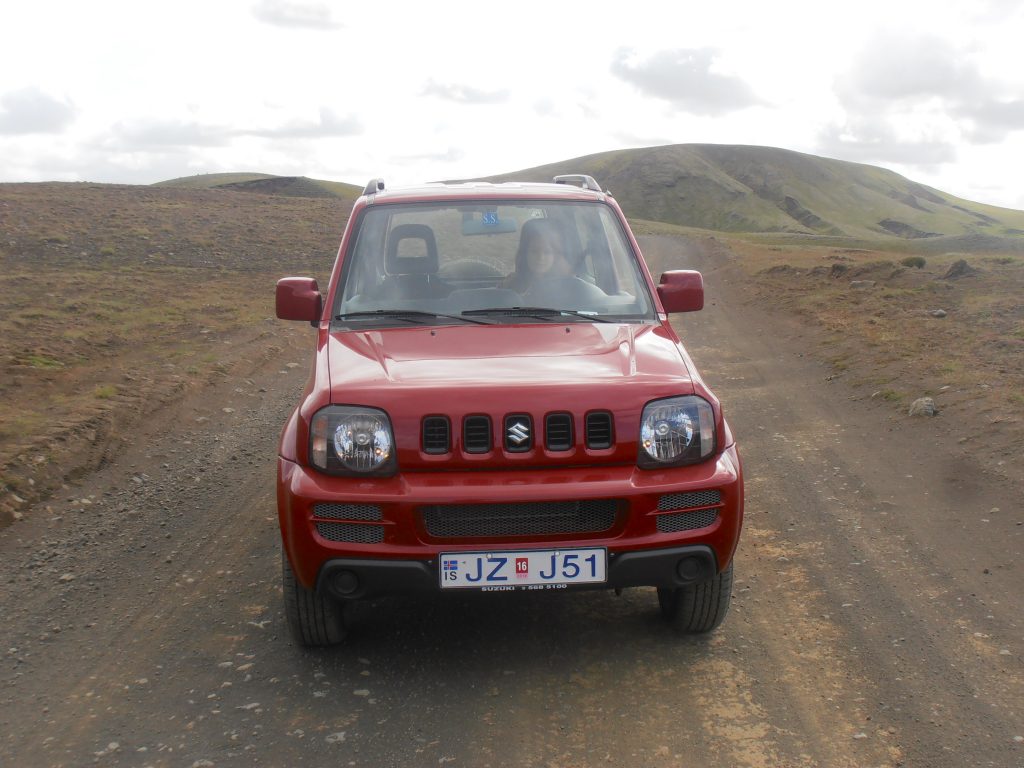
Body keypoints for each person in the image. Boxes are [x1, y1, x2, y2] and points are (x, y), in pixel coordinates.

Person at [502, 218, 575, 293]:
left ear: (556, 255)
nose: (540, 257)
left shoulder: (569, 287)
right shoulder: (511, 285)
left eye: (547, 252)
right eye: (534, 251)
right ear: (525, 253)